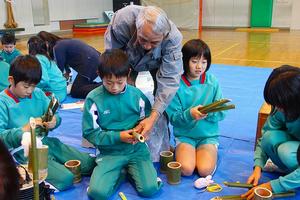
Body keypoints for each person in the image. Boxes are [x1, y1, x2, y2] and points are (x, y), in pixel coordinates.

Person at [0, 55, 95, 191]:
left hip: (46, 142)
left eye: (33, 86)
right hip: (24, 152)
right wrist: (24, 130)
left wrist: (54, 121)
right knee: (66, 178)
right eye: (26, 86)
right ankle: (44, 180)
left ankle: (54, 166)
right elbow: (1, 138)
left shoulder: (38, 94)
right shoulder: (3, 102)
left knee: (89, 164)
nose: (30, 91)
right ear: (11, 80)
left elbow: (54, 114)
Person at [82, 49, 162, 200]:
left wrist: (142, 130)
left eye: (120, 82)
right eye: (109, 82)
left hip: (136, 150)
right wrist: (118, 137)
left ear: (128, 74)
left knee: (150, 189)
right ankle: (121, 173)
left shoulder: (137, 96)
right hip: (109, 152)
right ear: (99, 75)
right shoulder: (93, 99)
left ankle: (131, 171)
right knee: (96, 193)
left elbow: (145, 121)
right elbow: (90, 133)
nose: (115, 88)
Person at [104, 5, 183, 137]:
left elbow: (169, 80)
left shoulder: (173, 39)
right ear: (137, 27)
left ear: (164, 36)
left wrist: (153, 116)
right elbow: (112, 60)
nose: (147, 46)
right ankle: (118, 131)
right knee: (121, 90)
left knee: (162, 102)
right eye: (143, 39)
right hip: (126, 57)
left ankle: (162, 137)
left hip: (155, 63)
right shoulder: (122, 21)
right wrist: (125, 81)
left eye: (154, 42)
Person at [166, 39, 226, 177]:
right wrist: (190, 114)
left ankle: (210, 151)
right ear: (185, 61)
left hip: (207, 136)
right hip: (185, 136)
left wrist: (208, 112)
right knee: (186, 169)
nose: (199, 66)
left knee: (204, 171)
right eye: (194, 61)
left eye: (204, 62)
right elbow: (174, 119)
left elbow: (222, 113)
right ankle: (181, 148)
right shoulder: (176, 84)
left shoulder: (212, 81)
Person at [242, 65, 300, 199]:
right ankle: (292, 173)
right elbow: (265, 136)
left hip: (293, 151)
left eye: (280, 105)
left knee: (286, 152)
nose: (277, 108)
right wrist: (258, 166)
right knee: (269, 137)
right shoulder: (281, 107)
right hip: (295, 144)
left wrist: (273, 186)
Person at [37, 31, 101, 98]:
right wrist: (67, 74)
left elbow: (58, 72)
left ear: (46, 43)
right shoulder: (62, 43)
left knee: (76, 91)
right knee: (80, 86)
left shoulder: (57, 48)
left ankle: (102, 87)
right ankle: (98, 86)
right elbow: (65, 66)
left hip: (91, 64)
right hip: (94, 60)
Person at [28, 36, 67, 102]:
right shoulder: (45, 57)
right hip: (62, 91)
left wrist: (31, 87)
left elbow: (44, 80)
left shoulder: (38, 59)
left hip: (55, 95)